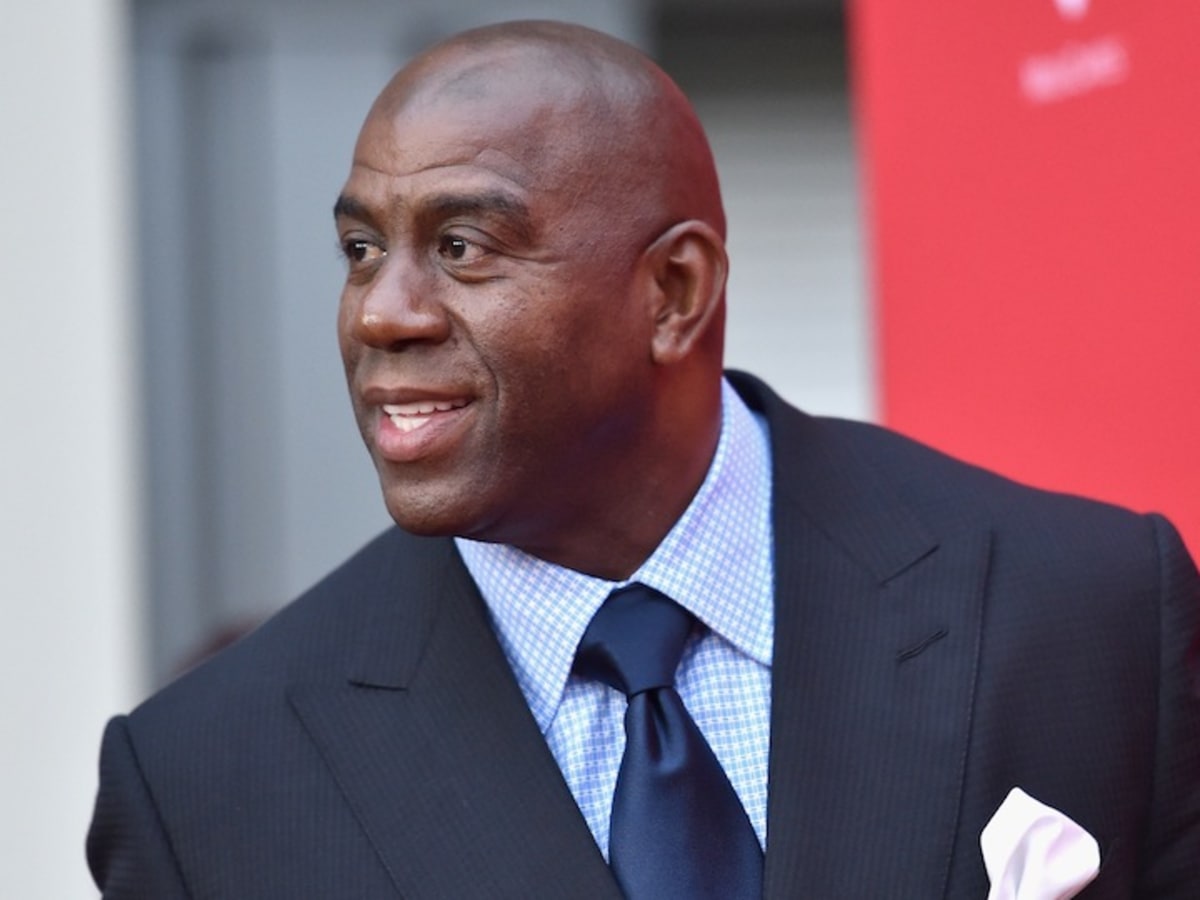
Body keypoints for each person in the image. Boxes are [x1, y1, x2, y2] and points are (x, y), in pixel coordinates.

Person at [87, 19, 1200, 899]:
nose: (383, 313)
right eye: (362, 248)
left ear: (674, 292)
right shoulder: (209, 781)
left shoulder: (1085, 618)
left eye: (462, 247)